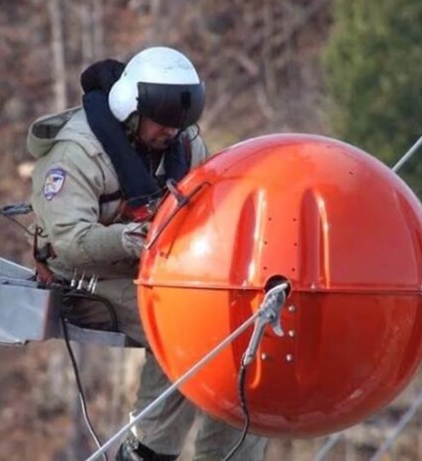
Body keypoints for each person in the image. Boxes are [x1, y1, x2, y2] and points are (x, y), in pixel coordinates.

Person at [27, 47, 267, 460]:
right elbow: (68, 241)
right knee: (193, 324)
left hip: (159, 270)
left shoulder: (184, 146)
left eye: (179, 122)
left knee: (247, 326)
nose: (170, 131)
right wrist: (130, 239)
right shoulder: (77, 153)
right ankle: (148, 450)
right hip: (83, 279)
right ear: (131, 109)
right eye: (162, 120)